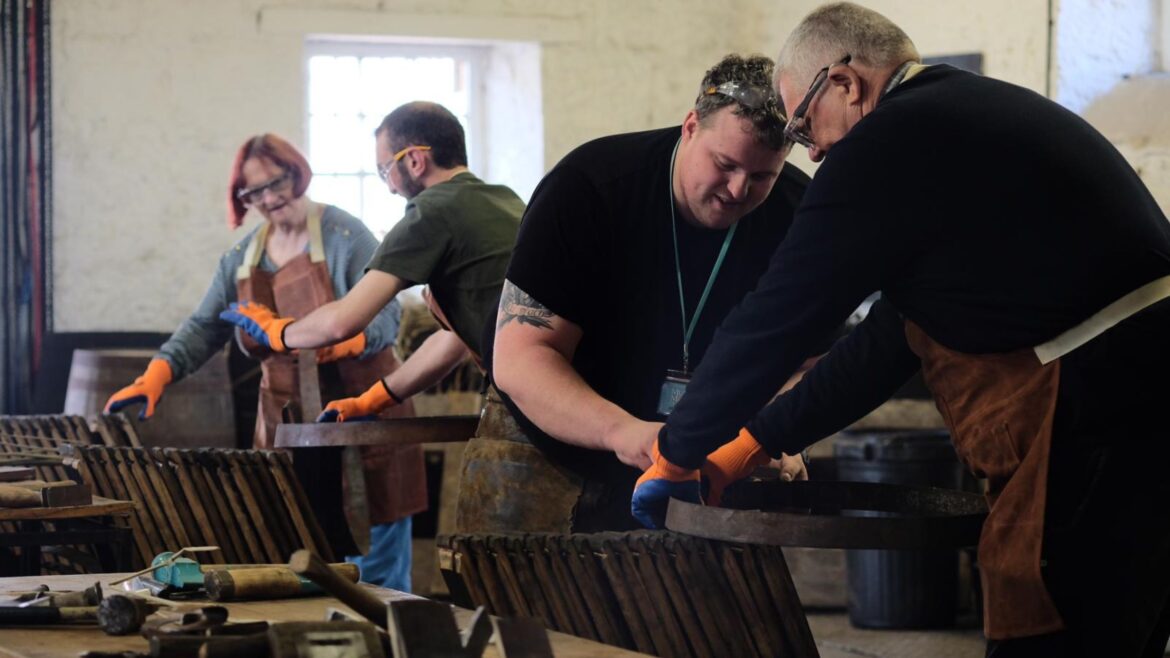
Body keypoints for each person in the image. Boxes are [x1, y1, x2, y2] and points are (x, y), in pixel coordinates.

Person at [636, 3, 1170, 656]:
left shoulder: (889, 142)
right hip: (1141, 403)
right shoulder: (961, 123)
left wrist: (678, 448)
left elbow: (776, 317)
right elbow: (892, 340)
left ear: (844, 83)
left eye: (805, 128)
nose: (818, 152)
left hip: (1099, 416)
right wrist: (755, 439)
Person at [486, 54, 816, 534]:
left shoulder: (797, 213)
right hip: (554, 443)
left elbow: (809, 362)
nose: (738, 190)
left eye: (763, 176)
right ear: (689, 127)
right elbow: (522, 355)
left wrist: (778, 429)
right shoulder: (591, 187)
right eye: (725, 164)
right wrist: (625, 432)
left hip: (699, 461)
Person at [104, 133, 423, 591]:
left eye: (278, 182)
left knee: (377, 567)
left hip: (365, 412)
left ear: (298, 174)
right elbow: (203, 327)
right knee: (292, 551)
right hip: (287, 424)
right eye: (256, 192)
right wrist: (158, 373)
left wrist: (343, 341)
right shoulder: (240, 259)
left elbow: (388, 316)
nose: (271, 198)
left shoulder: (345, 237)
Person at [220, 101, 523, 424]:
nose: (390, 187)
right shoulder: (505, 199)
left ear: (415, 160)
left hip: (525, 387)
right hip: (556, 371)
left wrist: (278, 332)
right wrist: (376, 398)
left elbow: (343, 320)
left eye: (385, 170)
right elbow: (455, 340)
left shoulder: (431, 211)